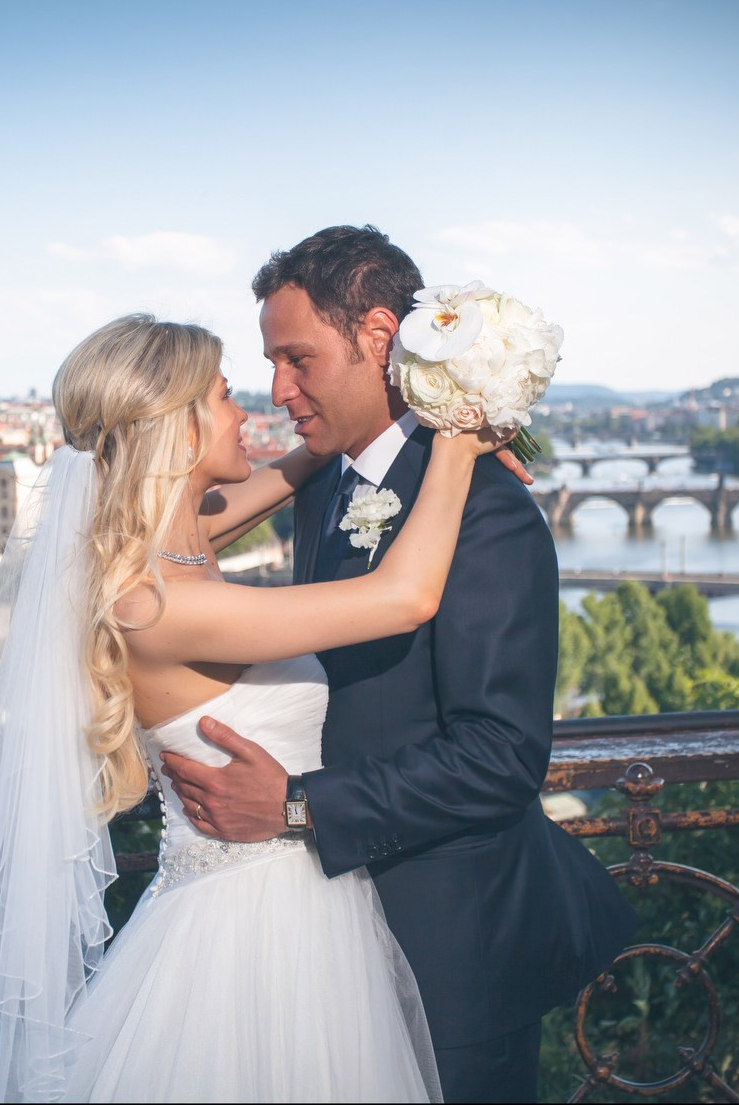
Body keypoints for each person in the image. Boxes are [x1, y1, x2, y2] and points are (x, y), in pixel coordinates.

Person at [0, 313, 513, 1102]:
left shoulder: (173, 548)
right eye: (222, 397)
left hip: (278, 897)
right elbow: (406, 597)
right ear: (178, 429)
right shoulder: (156, 605)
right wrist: (459, 438)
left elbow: (298, 465)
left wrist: (386, 404)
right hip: (252, 931)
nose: (247, 409)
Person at [161, 225, 641, 1102]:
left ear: (380, 338)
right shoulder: (328, 489)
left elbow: (500, 756)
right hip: (317, 950)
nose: (279, 390)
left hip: (448, 965)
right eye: (270, 365)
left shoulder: (486, 511)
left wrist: (298, 805)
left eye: (298, 359)